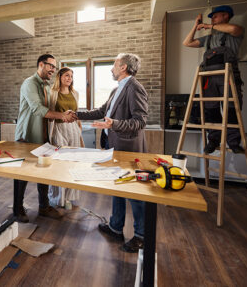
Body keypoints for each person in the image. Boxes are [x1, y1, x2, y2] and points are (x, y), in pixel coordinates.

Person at [76, 53, 148, 253]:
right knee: (117, 186)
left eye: (114, 65)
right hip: (113, 145)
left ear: (123, 67)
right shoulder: (117, 89)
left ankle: (142, 235)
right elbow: (101, 111)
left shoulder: (135, 88)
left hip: (129, 149)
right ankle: (116, 227)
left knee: (134, 192)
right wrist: (76, 114)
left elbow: (140, 121)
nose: (111, 68)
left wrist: (114, 124)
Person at [13, 54, 77, 223]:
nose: (53, 70)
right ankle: (17, 209)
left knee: (44, 171)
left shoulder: (48, 87)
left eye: (55, 68)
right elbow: (37, 108)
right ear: (41, 64)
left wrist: (67, 114)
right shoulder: (29, 83)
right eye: (51, 66)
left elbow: (51, 110)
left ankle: (44, 206)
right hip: (27, 135)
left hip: (44, 136)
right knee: (22, 174)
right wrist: (62, 116)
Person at [182, 5, 245, 154]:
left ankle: (233, 142)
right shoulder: (208, 38)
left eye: (216, 16)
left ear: (226, 16)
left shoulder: (234, 34)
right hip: (209, 79)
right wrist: (196, 26)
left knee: (231, 109)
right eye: (212, 18)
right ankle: (213, 141)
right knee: (211, 110)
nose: (213, 19)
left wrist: (210, 25)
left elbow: (235, 29)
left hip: (227, 76)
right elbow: (187, 42)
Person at [47, 67, 84, 208]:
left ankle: (68, 197)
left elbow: (77, 112)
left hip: (73, 130)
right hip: (58, 129)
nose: (69, 78)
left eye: (71, 76)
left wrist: (79, 128)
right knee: (59, 163)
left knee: (72, 163)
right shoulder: (52, 93)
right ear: (60, 77)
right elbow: (49, 113)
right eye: (67, 75)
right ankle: (57, 197)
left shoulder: (75, 93)